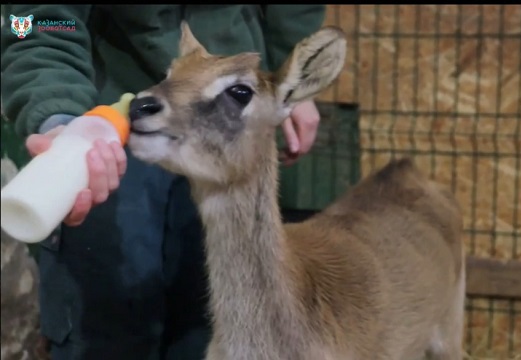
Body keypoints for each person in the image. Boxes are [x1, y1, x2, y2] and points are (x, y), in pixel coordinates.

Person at [1, 5, 326, 360]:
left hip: (227, 113)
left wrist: (287, 79)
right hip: (108, 120)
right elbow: (34, 22)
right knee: (105, 329)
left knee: (211, 331)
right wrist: (59, 116)